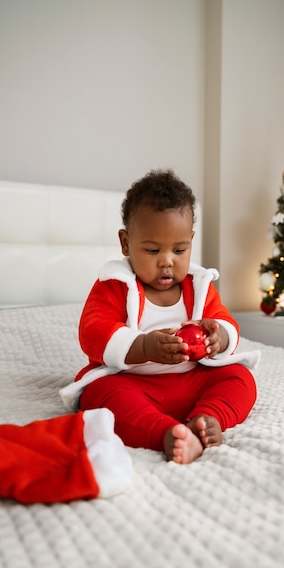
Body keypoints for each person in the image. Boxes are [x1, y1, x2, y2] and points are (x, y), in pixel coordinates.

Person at [60, 169, 257, 464]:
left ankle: (207, 419)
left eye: (180, 249)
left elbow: (224, 320)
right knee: (99, 395)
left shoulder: (199, 285)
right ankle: (167, 433)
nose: (167, 261)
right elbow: (94, 333)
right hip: (134, 383)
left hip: (191, 380)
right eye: (152, 250)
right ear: (126, 243)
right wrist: (145, 347)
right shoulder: (114, 284)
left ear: (191, 240)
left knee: (240, 377)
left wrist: (219, 336)